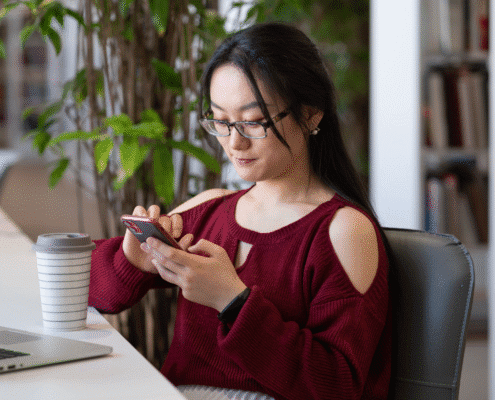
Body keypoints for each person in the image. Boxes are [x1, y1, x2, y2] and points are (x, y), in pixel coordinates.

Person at [89, 22, 392, 400]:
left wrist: (233, 302)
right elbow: (85, 288)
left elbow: (338, 386)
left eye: (253, 122)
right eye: (220, 120)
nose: (234, 142)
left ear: (312, 115)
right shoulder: (211, 209)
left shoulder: (343, 231)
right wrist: (130, 260)